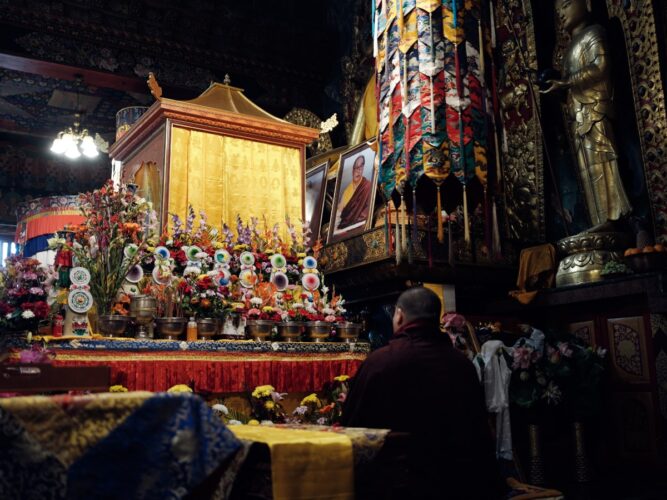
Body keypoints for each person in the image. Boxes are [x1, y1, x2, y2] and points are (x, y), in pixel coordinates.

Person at [342, 287, 503, 499]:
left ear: (399, 315)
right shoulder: (462, 365)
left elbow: (353, 429)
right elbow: (478, 432)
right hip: (456, 484)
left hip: (395, 486)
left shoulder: (380, 362)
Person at [542, 0, 631, 228]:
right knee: (586, 172)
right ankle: (598, 219)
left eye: (566, 4)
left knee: (602, 164)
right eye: (558, 10)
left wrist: (566, 82)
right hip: (578, 118)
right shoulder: (570, 48)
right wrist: (559, 90)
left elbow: (601, 67)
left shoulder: (594, 33)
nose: (561, 13)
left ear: (587, 3)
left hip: (595, 114)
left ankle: (615, 218)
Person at [336, 155, 372, 231]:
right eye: (356, 168)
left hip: (360, 225)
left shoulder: (367, 186)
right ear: (352, 170)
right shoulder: (347, 190)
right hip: (345, 225)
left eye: (360, 167)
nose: (358, 171)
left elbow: (366, 212)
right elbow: (340, 211)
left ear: (363, 168)